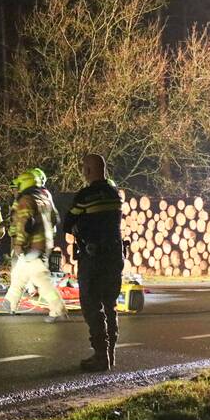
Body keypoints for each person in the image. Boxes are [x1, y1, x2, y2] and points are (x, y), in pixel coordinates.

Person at [63, 154, 123, 372]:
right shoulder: (114, 193)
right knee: (110, 304)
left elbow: (67, 223)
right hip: (115, 255)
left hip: (94, 257)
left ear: (88, 170)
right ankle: (110, 354)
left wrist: (80, 226)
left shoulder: (85, 196)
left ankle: (100, 355)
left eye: (84, 168)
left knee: (92, 305)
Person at [4, 170, 68, 323]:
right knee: (20, 274)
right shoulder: (44, 197)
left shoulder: (26, 199)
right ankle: (10, 302)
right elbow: (55, 218)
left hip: (32, 246)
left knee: (41, 279)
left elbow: (24, 224)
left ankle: (58, 309)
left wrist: (19, 243)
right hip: (44, 243)